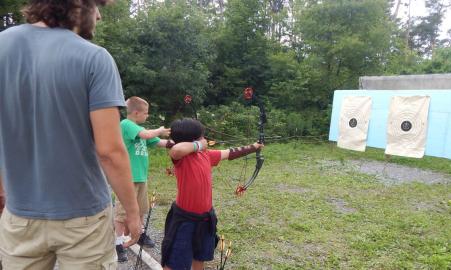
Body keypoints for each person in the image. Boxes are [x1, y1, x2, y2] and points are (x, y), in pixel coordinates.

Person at [0, 0, 142, 269]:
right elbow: (110, 151)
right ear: (78, 4)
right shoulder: (94, 58)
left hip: (20, 216)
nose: (99, 16)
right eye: (97, 6)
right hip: (83, 221)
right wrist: (132, 212)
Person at [161, 118, 263, 270]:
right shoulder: (181, 158)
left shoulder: (206, 155)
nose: (205, 140)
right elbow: (176, 150)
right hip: (185, 219)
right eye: (202, 136)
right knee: (175, 260)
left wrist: (254, 147)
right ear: (193, 139)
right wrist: (198, 144)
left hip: (205, 218)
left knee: (200, 256)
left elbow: (230, 153)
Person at [114, 96, 172, 262]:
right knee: (121, 213)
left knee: (141, 209)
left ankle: (138, 234)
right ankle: (118, 244)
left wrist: (178, 143)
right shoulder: (126, 125)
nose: (147, 116)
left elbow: (159, 142)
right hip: (127, 179)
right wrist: (159, 129)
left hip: (141, 177)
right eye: (146, 113)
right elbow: (147, 134)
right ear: (136, 112)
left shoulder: (141, 129)